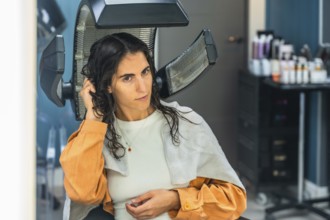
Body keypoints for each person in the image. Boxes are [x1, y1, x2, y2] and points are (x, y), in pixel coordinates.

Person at [60, 32, 247, 220]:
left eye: (145, 72)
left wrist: (175, 200)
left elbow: (234, 198)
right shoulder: (97, 135)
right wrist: (93, 118)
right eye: (127, 78)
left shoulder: (186, 122)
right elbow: (82, 194)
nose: (143, 87)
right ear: (107, 85)